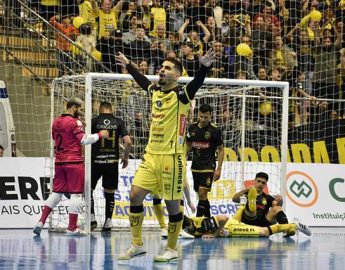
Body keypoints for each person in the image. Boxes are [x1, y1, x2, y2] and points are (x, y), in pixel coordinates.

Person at [115, 49, 215, 262]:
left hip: (172, 157)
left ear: (177, 75)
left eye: (167, 68)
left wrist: (204, 67)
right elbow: (142, 81)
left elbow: (196, 83)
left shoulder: (181, 95)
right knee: (135, 196)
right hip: (151, 155)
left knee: (172, 205)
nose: (161, 70)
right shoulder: (155, 92)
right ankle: (137, 244)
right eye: (161, 67)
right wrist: (129, 65)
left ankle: (170, 248)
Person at [33, 98, 109, 236]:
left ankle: (41, 221)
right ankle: (72, 227)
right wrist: (100, 134)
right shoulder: (75, 122)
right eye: (79, 109)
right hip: (73, 162)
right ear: (73, 107)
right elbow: (84, 140)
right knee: (76, 195)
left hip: (59, 162)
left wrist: (78, 127)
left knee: (56, 193)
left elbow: (55, 138)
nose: (80, 113)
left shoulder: (56, 122)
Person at [91, 101, 132, 233]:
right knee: (109, 192)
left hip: (95, 161)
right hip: (112, 162)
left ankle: (92, 218)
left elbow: (85, 139)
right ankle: (108, 222)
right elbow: (128, 141)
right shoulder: (118, 121)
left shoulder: (94, 121)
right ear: (111, 109)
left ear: (100, 109)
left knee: (87, 189)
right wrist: (125, 157)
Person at [182, 201, 312, 239]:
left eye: (186, 228)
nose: (186, 231)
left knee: (263, 233)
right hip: (229, 227)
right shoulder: (188, 225)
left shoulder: (202, 224)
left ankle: (293, 225)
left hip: (231, 228)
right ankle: (243, 205)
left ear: (189, 224)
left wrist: (214, 235)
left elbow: (224, 218)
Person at [186, 104, 224, 218]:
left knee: (202, 193)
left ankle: (198, 221)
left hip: (208, 166)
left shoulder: (215, 130)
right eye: (201, 116)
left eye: (206, 117)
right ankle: (208, 219)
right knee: (201, 195)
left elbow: (221, 150)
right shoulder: (191, 128)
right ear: (198, 115)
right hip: (195, 166)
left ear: (210, 116)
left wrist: (219, 169)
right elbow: (188, 146)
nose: (203, 119)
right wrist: (183, 156)